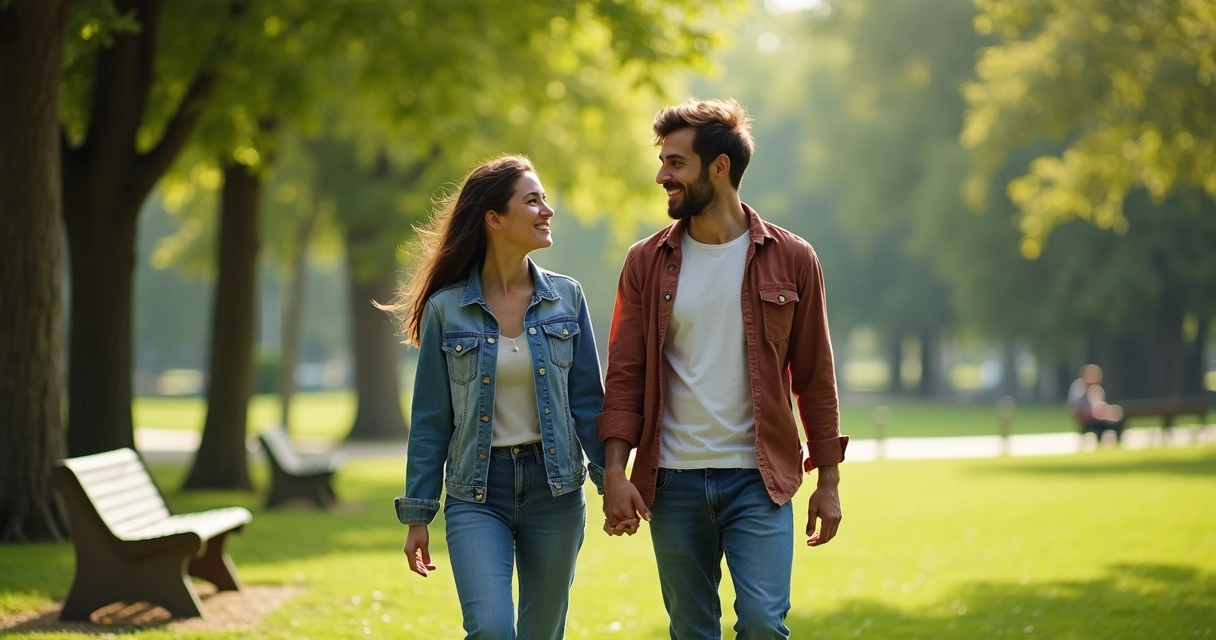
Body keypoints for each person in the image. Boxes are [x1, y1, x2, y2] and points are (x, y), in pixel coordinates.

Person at [596, 98, 849, 639]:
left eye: (675, 163)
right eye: (662, 162)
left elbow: (815, 376)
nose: (662, 175)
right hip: (673, 483)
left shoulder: (792, 257)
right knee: (692, 629)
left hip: (760, 481)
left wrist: (828, 480)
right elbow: (623, 377)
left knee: (762, 623)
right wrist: (614, 473)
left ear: (720, 167)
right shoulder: (645, 262)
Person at [382, 155, 610, 639]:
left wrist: (613, 483)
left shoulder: (567, 299)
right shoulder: (447, 311)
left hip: (556, 492)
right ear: (494, 218)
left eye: (545, 199)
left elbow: (589, 402)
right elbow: (430, 421)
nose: (547, 210)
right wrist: (418, 514)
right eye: (533, 200)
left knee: (541, 633)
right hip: (476, 493)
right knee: (490, 629)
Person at [1067, 364, 1124, 443]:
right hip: (1088, 419)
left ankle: (1117, 441)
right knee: (1103, 423)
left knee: (1117, 414)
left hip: (1098, 417)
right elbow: (1076, 408)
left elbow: (1099, 406)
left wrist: (1109, 411)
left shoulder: (1096, 389)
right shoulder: (1078, 388)